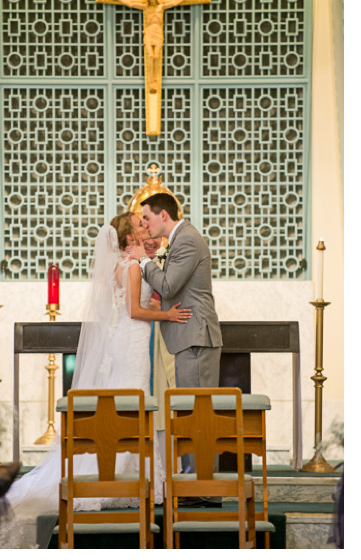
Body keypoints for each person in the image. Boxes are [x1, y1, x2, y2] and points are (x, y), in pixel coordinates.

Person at [0, 212, 191, 548]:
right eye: (139, 225)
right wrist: (167, 314)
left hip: (127, 339)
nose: (145, 227)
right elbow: (134, 310)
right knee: (135, 404)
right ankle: (123, 478)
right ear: (128, 237)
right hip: (132, 337)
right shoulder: (130, 266)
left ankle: (126, 475)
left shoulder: (127, 264)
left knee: (128, 404)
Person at [138, 192, 223, 507]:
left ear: (163, 214)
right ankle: (197, 485)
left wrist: (143, 260)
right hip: (189, 336)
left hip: (196, 336)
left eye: (147, 217)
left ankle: (204, 489)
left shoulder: (186, 239)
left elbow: (170, 286)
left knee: (199, 413)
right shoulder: (178, 239)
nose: (145, 224)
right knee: (191, 412)